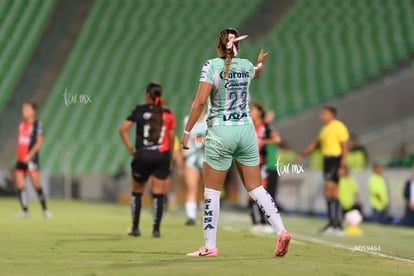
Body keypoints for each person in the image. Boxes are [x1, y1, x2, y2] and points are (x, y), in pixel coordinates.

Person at [181, 28, 290, 257]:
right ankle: (281, 231)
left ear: (218, 46)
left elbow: (200, 103)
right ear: (238, 46)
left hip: (221, 132)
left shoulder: (211, 65)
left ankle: (210, 247)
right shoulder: (247, 65)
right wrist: (260, 63)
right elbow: (256, 73)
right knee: (256, 187)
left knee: (211, 191)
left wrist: (187, 131)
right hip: (247, 131)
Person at [119, 83, 176, 238]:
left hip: (142, 155)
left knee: (137, 192)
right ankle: (156, 230)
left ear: (147, 95)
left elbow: (123, 129)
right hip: (161, 155)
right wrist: (170, 159)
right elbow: (171, 137)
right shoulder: (168, 113)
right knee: (158, 193)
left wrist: (131, 149)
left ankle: (135, 228)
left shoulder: (140, 110)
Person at [296, 106, 349, 234]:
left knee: (329, 191)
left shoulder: (339, 126)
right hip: (327, 161)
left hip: (335, 160)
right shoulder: (324, 129)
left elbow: (345, 147)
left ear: (331, 114)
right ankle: (336, 224)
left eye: (323, 114)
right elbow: (315, 144)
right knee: (334, 192)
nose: (321, 117)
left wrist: (342, 165)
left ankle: (334, 224)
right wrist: (303, 154)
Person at [14, 102, 52, 218]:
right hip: (20, 159)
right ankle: (25, 211)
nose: (24, 111)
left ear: (33, 111)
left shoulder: (37, 124)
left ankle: (45, 209)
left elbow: (39, 141)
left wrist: (29, 155)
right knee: (20, 183)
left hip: (31, 159)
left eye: (27, 109)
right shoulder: (21, 124)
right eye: (23, 109)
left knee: (35, 183)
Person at [249, 103, 282, 234]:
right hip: (250, 163)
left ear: (259, 112)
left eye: (252, 110)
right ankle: (255, 221)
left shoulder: (265, 127)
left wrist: (264, 141)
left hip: (262, 164)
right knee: (251, 193)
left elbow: (277, 139)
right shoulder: (248, 125)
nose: (250, 112)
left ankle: (264, 221)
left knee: (261, 192)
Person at [183, 102, 207, 225]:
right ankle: (191, 216)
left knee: (207, 189)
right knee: (191, 187)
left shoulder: (209, 120)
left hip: (207, 157)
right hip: (192, 158)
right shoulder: (187, 120)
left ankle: (207, 214)